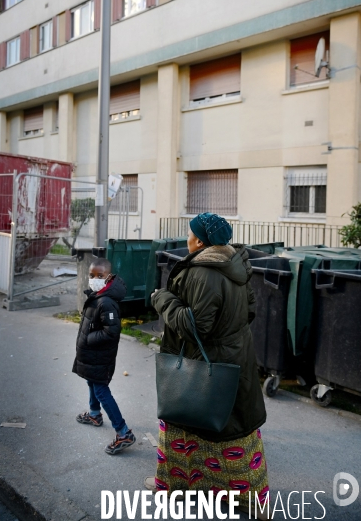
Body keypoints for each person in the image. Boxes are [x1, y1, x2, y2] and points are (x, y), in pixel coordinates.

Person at [145, 213, 269, 520]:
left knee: (184, 423)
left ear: (200, 241)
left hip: (203, 364)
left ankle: (174, 486)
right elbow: (250, 310)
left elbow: (195, 326)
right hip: (236, 358)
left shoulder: (203, 273)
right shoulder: (236, 265)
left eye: (190, 233)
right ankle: (250, 499)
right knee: (236, 430)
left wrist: (163, 300)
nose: (186, 238)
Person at [72, 258, 135, 455]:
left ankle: (123, 432)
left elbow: (111, 332)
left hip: (100, 356)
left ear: (108, 277)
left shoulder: (106, 302)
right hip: (93, 355)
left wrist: (88, 339)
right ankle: (94, 414)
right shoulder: (97, 296)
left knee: (100, 390)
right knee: (92, 382)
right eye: (91, 275)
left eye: (99, 276)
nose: (94, 279)